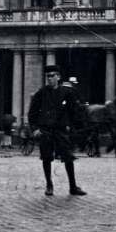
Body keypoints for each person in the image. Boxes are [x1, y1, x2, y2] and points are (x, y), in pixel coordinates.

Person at [27, 64, 86, 197]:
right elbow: (32, 114)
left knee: (68, 157)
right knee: (46, 158)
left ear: (58, 77)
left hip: (61, 131)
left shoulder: (67, 93)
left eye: (53, 76)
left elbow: (73, 112)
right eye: (48, 76)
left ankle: (73, 187)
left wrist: (69, 126)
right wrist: (35, 129)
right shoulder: (41, 94)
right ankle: (49, 185)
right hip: (45, 131)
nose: (50, 79)